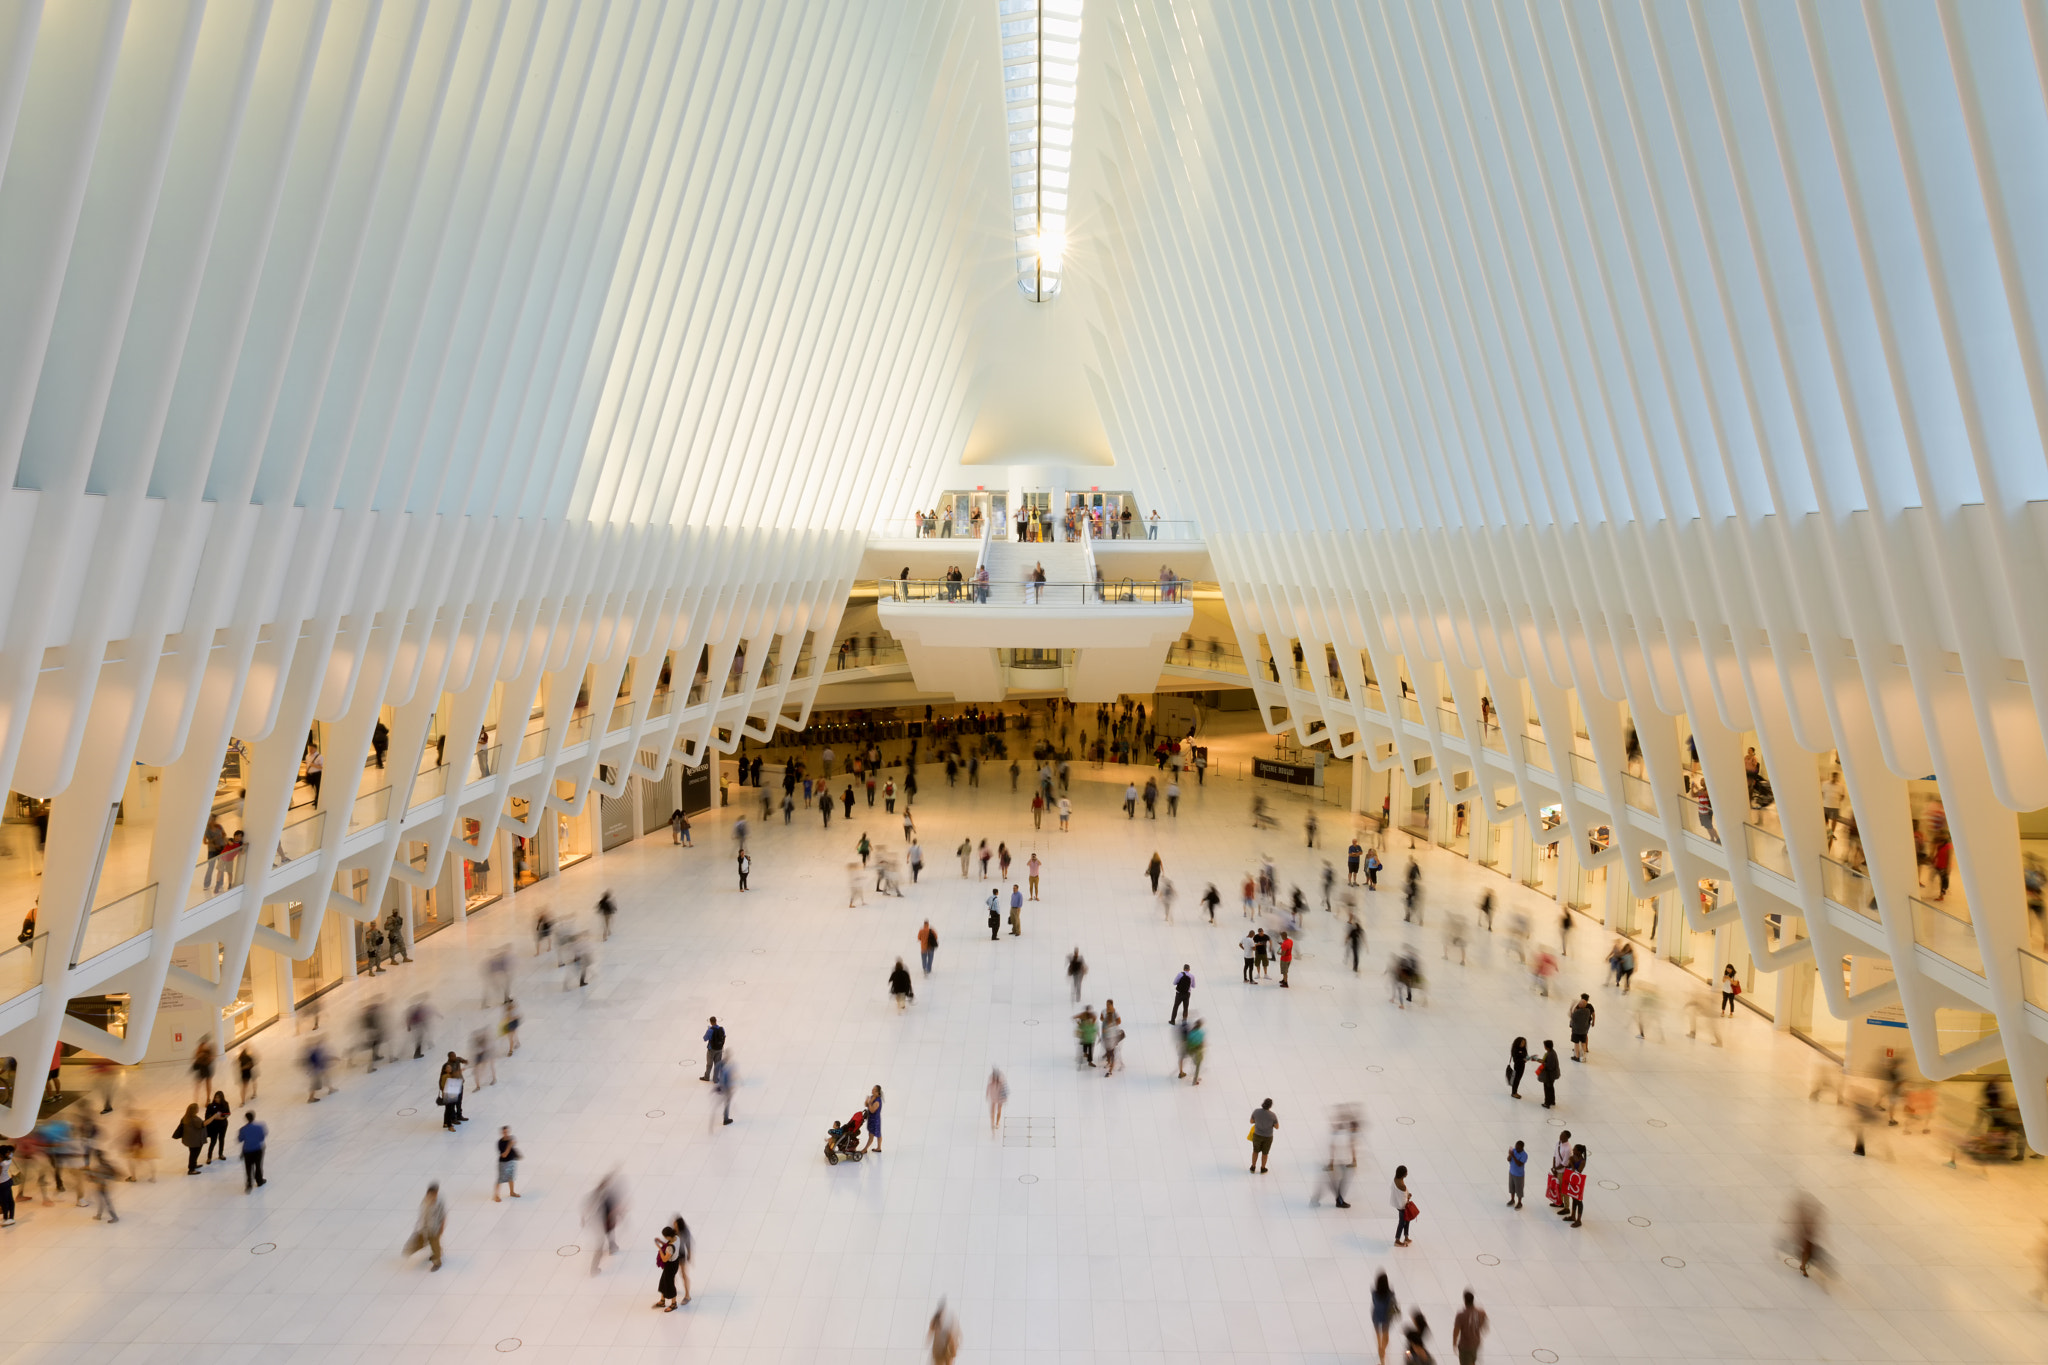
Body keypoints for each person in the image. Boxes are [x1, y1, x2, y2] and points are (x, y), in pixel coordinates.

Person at [1314, 1110, 1359, 1208]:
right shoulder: (1344, 1136)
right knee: (1335, 1183)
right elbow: (1336, 1148)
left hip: (1340, 1163)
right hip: (1341, 1164)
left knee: (1333, 1182)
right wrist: (1331, 1163)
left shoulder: (1344, 1135)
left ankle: (1335, 1199)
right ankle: (1337, 1200)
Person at [403, 1183, 446, 1270]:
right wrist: (419, 1226)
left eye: (434, 1194)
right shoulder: (425, 1201)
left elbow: (443, 1215)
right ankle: (436, 1253)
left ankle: (437, 1262)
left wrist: (441, 1227)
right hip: (424, 1227)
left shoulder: (439, 1202)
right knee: (425, 1242)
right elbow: (422, 1214)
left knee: (434, 1244)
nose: (433, 1196)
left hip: (434, 1228)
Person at [587, 1173, 625, 1273]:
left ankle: (612, 1246)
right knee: (600, 1246)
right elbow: (613, 1207)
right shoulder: (606, 1195)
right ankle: (593, 1269)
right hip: (602, 1223)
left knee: (609, 1233)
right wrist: (619, 1214)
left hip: (602, 1222)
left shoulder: (598, 1194)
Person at [1370, 1272, 1400, 1365]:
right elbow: (1393, 1304)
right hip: (1386, 1318)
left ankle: (1380, 1350)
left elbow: (1374, 1302)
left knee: (1378, 1336)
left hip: (1376, 1315)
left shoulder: (1374, 1293)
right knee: (1385, 1337)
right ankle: (1383, 1350)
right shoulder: (1390, 1294)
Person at [653, 1223, 683, 1311]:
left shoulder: (669, 1248)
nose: (665, 1239)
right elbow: (669, 1246)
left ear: (668, 1236)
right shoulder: (677, 1238)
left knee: (669, 1284)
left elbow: (665, 1259)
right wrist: (662, 1243)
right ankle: (662, 1300)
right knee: (663, 1281)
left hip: (670, 1266)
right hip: (675, 1262)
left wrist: (659, 1248)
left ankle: (674, 1304)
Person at [237, 1111, 267, 1192]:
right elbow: (262, 1138)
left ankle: (249, 1184)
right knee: (258, 1165)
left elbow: (240, 1139)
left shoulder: (243, 1129)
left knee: (248, 1167)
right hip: (257, 1149)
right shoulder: (259, 1127)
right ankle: (259, 1180)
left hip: (247, 1151)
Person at [174, 1103, 207, 1174]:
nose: (198, 1109)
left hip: (189, 1140)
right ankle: (191, 1169)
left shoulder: (185, 1117)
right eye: (197, 1108)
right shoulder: (194, 1119)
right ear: (195, 1110)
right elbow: (203, 1124)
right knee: (194, 1154)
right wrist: (213, 1117)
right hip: (195, 1141)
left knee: (192, 1153)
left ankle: (193, 1165)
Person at [1248, 1098, 1278, 1173]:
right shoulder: (1272, 1115)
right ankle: (1263, 1168)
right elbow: (1277, 1127)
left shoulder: (1256, 1111)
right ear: (1270, 1106)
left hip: (1257, 1135)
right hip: (1268, 1137)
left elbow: (1251, 1121)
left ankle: (1253, 1167)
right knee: (1265, 1153)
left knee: (1255, 1151)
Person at [928, 1299, 960, 1365]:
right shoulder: (938, 1319)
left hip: (943, 1349)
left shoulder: (943, 1319)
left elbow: (950, 1335)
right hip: (941, 1350)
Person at [203, 1089, 231, 1164]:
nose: (216, 1099)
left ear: (222, 1098)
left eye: (218, 1097)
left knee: (221, 1139)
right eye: (215, 1097)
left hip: (223, 1125)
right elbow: (207, 1116)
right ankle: (209, 1157)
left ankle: (220, 1154)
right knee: (213, 1141)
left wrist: (219, 1117)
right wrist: (216, 1116)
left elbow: (227, 1114)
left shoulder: (225, 1104)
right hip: (214, 1126)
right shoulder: (211, 1106)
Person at [494, 1126, 521, 1201]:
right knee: (500, 1179)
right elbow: (504, 1155)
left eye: (507, 1132)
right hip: (503, 1163)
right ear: (502, 1133)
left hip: (511, 1161)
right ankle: (496, 1195)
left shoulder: (511, 1138)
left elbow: (514, 1146)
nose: (506, 1134)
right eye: (504, 1132)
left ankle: (512, 1192)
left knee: (511, 1177)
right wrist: (509, 1145)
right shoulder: (500, 1143)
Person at [1390, 1165, 1415, 1246]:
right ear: (1403, 1174)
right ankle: (1397, 1240)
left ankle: (1406, 1237)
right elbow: (1404, 1200)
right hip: (1402, 1207)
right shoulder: (1402, 1185)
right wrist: (1409, 1196)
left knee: (1406, 1220)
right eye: (1406, 1172)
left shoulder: (1396, 1179)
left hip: (1397, 1204)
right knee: (1402, 1222)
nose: (1407, 1173)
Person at [1570, 994, 1596, 1061]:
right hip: (1585, 1027)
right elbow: (1593, 1014)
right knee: (1583, 1042)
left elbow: (1572, 1016)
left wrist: (1571, 1007)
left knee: (1576, 1043)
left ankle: (1577, 1056)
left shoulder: (1578, 1011)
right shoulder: (1588, 1010)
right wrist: (1593, 1021)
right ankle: (1584, 1056)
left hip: (1577, 1029)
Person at [1537, 1040, 1561, 1108]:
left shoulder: (1550, 1054)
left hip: (1550, 1075)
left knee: (1547, 1088)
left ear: (1546, 1046)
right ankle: (1552, 1101)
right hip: (1552, 1075)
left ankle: (1547, 1103)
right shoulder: (1551, 1052)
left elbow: (1550, 1066)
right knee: (1550, 1088)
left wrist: (1543, 1063)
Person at [861, 1085, 884, 1153]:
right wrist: (867, 1101)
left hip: (875, 1120)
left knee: (872, 1134)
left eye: (874, 1090)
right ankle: (879, 1148)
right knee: (876, 1133)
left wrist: (869, 1102)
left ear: (877, 1092)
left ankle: (865, 1149)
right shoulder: (872, 1097)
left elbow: (872, 1110)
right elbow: (866, 1105)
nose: (872, 1090)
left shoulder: (877, 1101)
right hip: (871, 1119)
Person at [1506, 1139, 1528, 1209]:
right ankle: (1512, 1199)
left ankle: (1519, 1202)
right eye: (1516, 1146)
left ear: (1522, 1148)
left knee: (1519, 1190)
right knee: (1511, 1187)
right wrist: (1510, 1155)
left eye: (1518, 1147)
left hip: (1519, 1175)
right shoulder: (1514, 1151)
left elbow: (1519, 1164)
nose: (1516, 1148)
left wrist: (1513, 1156)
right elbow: (1508, 1159)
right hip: (1512, 1172)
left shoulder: (1524, 1155)